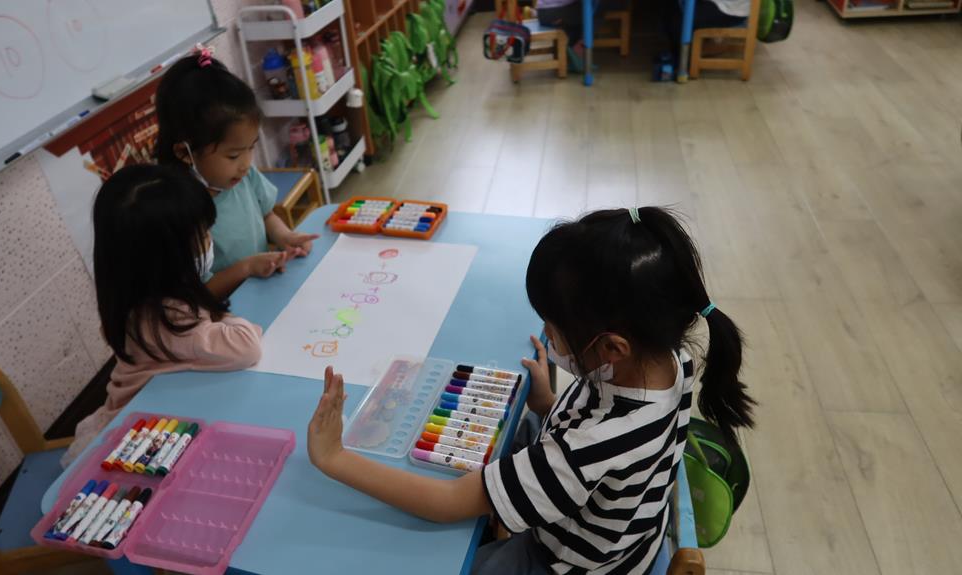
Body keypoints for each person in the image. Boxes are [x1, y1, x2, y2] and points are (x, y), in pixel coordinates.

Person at [305, 207, 755, 574]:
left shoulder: (585, 452)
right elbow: (613, 447)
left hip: (568, 563)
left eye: (555, 331)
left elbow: (447, 502)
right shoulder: (672, 360)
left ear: (613, 348)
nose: (549, 338)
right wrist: (548, 404)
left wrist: (335, 458)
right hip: (627, 540)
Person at [64, 165, 263, 465]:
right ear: (170, 259)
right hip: (136, 442)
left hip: (147, 414)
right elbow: (247, 346)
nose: (210, 240)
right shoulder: (169, 319)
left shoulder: (131, 299)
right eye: (203, 235)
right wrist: (226, 318)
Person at [155, 46, 318, 297]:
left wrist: (285, 236)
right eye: (233, 155)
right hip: (226, 311)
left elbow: (266, 215)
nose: (245, 163)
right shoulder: (181, 213)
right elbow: (200, 293)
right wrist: (246, 268)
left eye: (251, 148)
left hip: (263, 292)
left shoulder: (242, 176)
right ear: (185, 152)